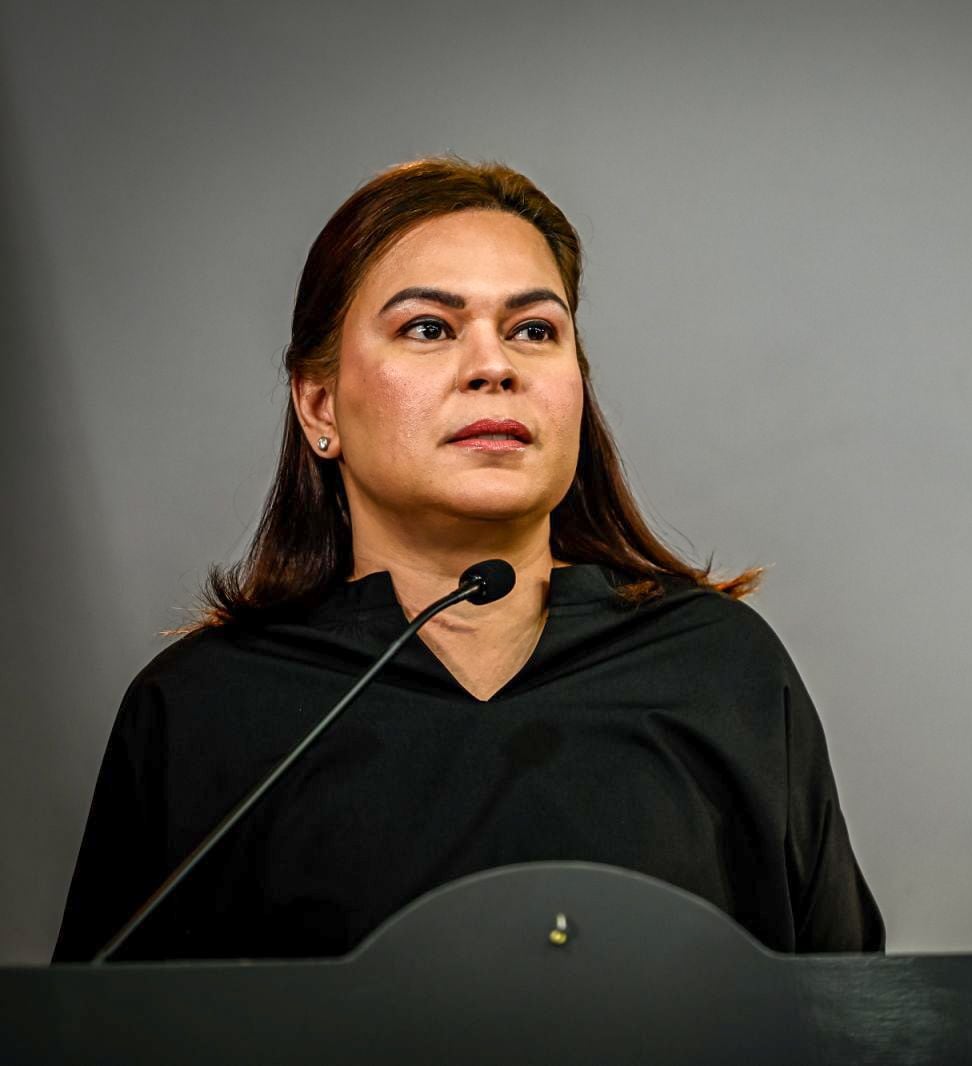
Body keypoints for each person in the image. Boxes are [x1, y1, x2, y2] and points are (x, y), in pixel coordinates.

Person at [51, 157, 884, 962]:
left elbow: (847, 1017)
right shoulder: (201, 713)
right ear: (319, 405)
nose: (494, 366)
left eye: (533, 330)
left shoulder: (722, 671)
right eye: (428, 328)